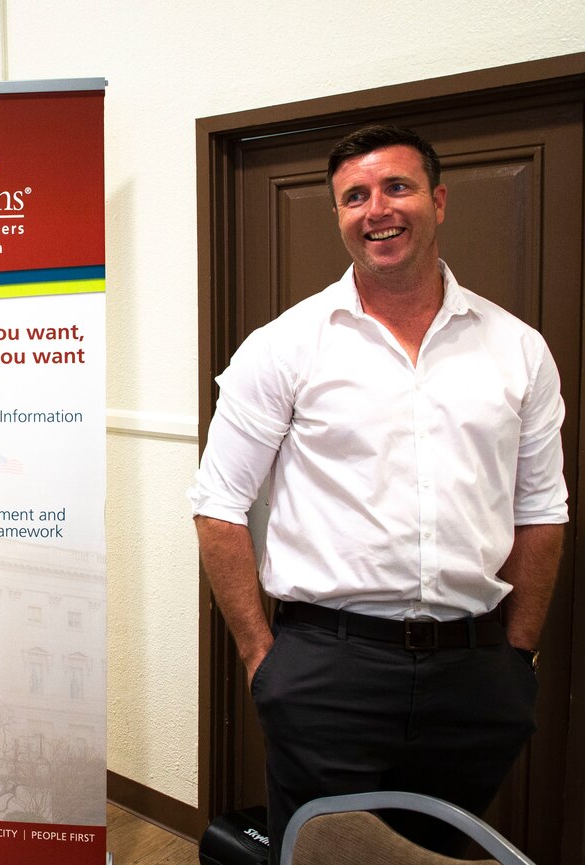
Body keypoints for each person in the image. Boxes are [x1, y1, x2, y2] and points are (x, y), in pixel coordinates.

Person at [188, 124, 568, 860]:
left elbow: (541, 510)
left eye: (397, 187)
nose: (377, 209)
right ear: (338, 214)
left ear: (439, 200)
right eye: (354, 196)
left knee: (441, 854)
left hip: (474, 673)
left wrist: (516, 657)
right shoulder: (286, 345)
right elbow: (218, 505)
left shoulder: (517, 348)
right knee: (321, 852)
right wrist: (262, 659)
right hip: (328, 670)